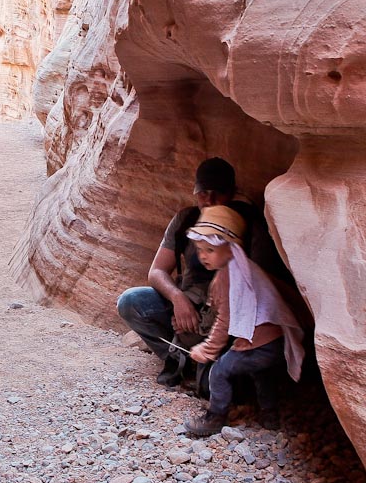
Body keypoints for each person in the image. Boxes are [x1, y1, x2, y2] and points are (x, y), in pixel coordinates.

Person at [116, 157, 248, 387]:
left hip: (226, 315)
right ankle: (178, 358)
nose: (210, 200)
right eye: (203, 193)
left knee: (210, 387)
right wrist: (178, 299)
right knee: (130, 301)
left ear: (233, 193)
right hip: (187, 306)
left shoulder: (245, 223)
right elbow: (157, 271)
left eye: (218, 193)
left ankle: (206, 364)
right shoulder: (185, 220)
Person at [182, 206, 305, 436]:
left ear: (232, 249)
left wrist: (208, 350)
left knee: (218, 371)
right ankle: (270, 414)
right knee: (261, 373)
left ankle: (215, 417)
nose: (203, 256)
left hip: (256, 343)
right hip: (274, 343)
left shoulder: (229, 276)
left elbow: (225, 319)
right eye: (200, 249)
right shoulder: (247, 268)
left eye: (210, 249)